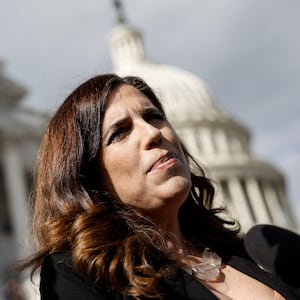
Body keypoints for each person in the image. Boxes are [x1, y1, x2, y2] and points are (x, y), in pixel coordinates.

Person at [23, 74, 299, 299]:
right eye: (120, 132)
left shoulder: (240, 251)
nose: (153, 133)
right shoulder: (78, 276)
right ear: (88, 176)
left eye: (154, 117)